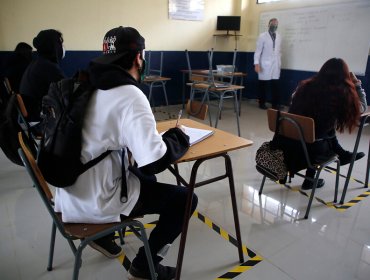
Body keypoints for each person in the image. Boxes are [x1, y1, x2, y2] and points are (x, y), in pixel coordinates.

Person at [54, 26, 198, 280]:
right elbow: (155, 161)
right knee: (185, 199)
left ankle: (108, 237)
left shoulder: (85, 83)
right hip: (97, 200)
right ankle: (145, 266)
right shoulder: (129, 94)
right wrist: (179, 138)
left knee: (146, 180)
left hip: (69, 194)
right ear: (138, 58)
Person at [278, 58, 366, 190]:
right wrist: (357, 85)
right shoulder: (340, 93)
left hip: (288, 143)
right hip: (312, 150)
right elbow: (362, 108)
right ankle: (312, 178)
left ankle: (341, 154)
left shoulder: (304, 86)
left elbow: (293, 100)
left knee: (321, 126)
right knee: (320, 131)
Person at [20, 29, 66, 121]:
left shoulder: (37, 63)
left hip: (31, 115)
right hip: (39, 119)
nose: (63, 47)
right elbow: (66, 93)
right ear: (53, 46)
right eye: (60, 43)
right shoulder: (48, 67)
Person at [254, 18, 282, 110]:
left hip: (275, 64)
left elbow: (278, 51)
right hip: (265, 64)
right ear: (269, 25)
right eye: (272, 24)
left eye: (276, 24)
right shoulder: (262, 36)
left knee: (276, 85)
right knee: (263, 84)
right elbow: (258, 51)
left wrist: (279, 63)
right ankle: (262, 103)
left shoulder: (279, 36)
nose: (274, 26)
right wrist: (256, 64)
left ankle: (275, 104)